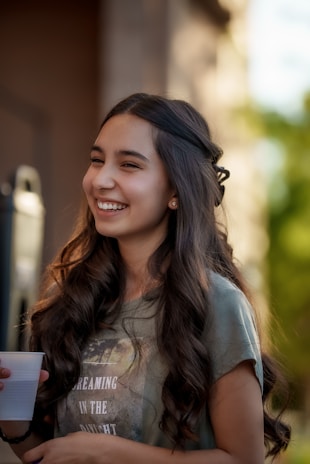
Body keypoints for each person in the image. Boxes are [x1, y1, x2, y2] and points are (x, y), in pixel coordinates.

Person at [0, 93, 290, 463]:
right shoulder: (70, 302)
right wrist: (10, 414)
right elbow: (43, 455)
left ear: (175, 190)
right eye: (96, 160)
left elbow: (242, 459)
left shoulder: (216, 303)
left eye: (129, 165)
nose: (100, 180)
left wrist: (109, 453)